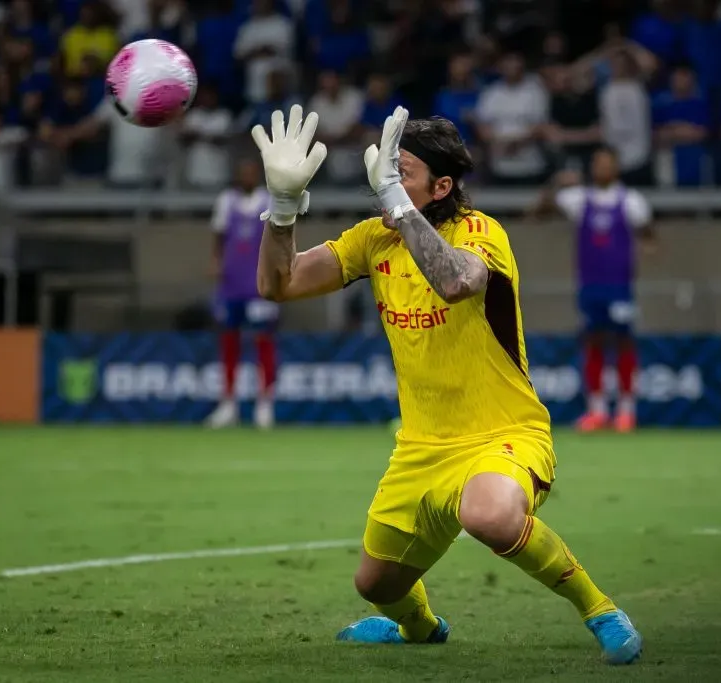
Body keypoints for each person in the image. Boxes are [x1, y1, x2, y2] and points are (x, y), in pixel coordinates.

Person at [250, 105, 642, 663]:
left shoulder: (482, 233)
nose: (382, 183)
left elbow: (456, 281)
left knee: (488, 515)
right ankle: (421, 628)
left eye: (399, 172)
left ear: (441, 187)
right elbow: (277, 285)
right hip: (420, 449)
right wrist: (283, 208)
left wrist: (397, 204)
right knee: (376, 586)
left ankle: (600, 608)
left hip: (504, 433)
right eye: (381, 170)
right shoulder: (372, 240)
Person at [529, 147, 656, 432]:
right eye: (597, 163)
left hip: (621, 287)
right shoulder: (578, 199)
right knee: (593, 342)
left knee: (623, 343)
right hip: (589, 286)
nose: (601, 168)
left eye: (607, 163)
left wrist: (647, 249)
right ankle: (597, 410)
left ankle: (626, 411)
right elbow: (538, 212)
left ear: (616, 167)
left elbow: (650, 237)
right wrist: (557, 183)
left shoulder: (632, 201)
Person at [206, 158, 278, 430]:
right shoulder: (226, 201)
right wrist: (215, 262)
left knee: (264, 344)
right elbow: (218, 236)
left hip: (260, 286)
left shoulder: (268, 201)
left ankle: (265, 404)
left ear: (257, 175)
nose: (247, 177)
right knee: (229, 344)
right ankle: (228, 404)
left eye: (251, 172)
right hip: (232, 284)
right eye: (242, 172)